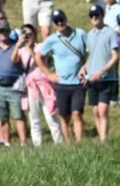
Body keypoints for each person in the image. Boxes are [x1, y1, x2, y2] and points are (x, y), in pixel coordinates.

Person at [36, 10, 88, 143]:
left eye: (61, 20)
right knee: (65, 116)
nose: (60, 23)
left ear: (66, 19)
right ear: (54, 24)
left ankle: (79, 142)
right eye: (56, 21)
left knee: (77, 113)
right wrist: (48, 74)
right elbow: (39, 57)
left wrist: (85, 67)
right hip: (61, 84)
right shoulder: (51, 40)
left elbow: (92, 51)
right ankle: (68, 144)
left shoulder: (80, 34)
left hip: (78, 82)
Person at [18, 23, 64, 147]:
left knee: (51, 116)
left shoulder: (41, 47)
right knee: (34, 119)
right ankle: (37, 145)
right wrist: (19, 44)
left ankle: (59, 143)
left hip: (44, 85)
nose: (27, 37)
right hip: (31, 87)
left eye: (30, 34)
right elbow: (13, 60)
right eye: (25, 34)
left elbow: (39, 61)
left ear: (35, 34)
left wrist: (30, 49)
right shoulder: (21, 51)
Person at [80, 4, 119, 142]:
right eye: (92, 16)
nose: (94, 18)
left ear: (102, 16)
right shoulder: (89, 35)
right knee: (95, 111)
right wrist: (83, 68)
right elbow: (91, 56)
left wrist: (103, 71)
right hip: (91, 78)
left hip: (105, 78)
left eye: (97, 15)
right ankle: (101, 137)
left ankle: (104, 141)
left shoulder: (110, 32)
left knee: (103, 110)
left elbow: (115, 55)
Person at [0, 19, 27, 146]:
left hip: (14, 86)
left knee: (18, 116)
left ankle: (23, 142)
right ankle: (6, 143)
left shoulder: (17, 46)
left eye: (5, 30)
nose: (3, 33)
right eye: (0, 31)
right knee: (3, 117)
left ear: (9, 31)